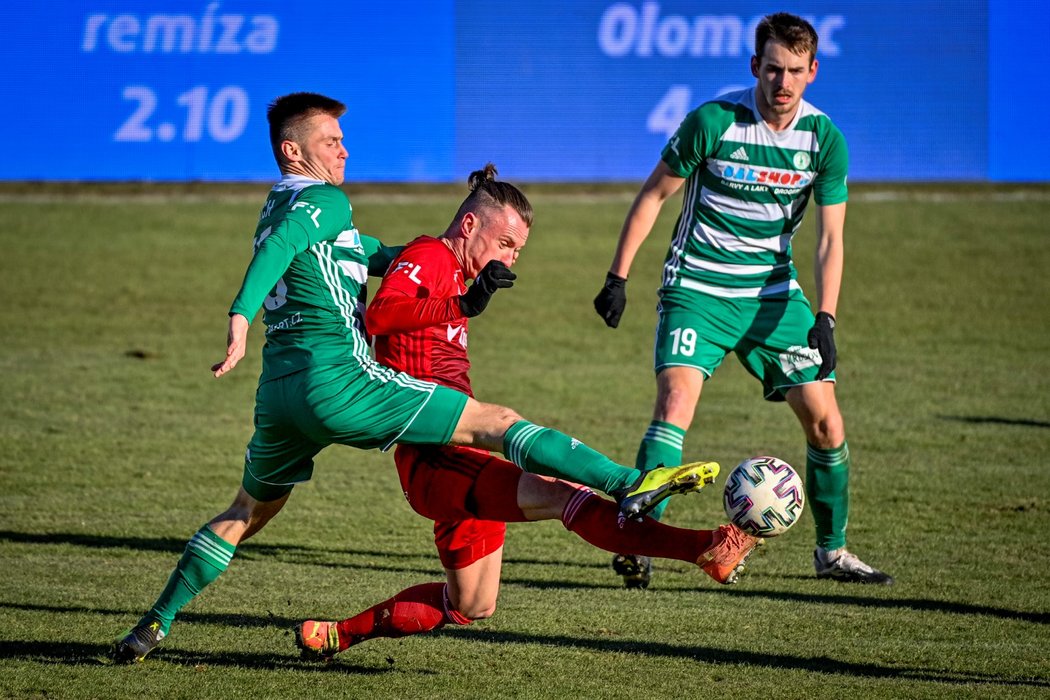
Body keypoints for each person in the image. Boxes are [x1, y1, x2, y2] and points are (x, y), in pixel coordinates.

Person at [111, 93, 719, 664]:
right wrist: (240, 315)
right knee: (499, 424)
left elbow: (379, 253)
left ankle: (156, 620)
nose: (343, 150)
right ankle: (632, 480)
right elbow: (340, 288)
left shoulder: (286, 208)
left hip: (279, 394)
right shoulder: (322, 205)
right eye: (331, 140)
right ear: (294, 152)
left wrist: (455, 234)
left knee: (246, 510)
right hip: (336, 380)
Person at [292, 164, 760, 659]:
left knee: (471, 603)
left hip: (456, 454)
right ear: (471, 226)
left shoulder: (453, 271)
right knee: (554, 483)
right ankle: (689, 535)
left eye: (518, 251)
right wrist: (464, 304)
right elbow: (382, 314)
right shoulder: (430, 254)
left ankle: (338, 634)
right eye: (507, 244)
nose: (512, 259)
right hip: (433, 454)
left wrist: (463, 299)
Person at [592, 13, 893, 588]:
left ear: (812, 73)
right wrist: (617, 277)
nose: (783, 83)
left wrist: (825, 316)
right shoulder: (714, 121)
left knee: (826, 423)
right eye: (773, 69)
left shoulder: (824, 140)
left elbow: (832, 239)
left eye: (796, 72)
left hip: (774, 299)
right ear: (755, 66)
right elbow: (653, 196)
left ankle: (832, 553)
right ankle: (638, 543)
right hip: (697, 291)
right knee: (675, 404)